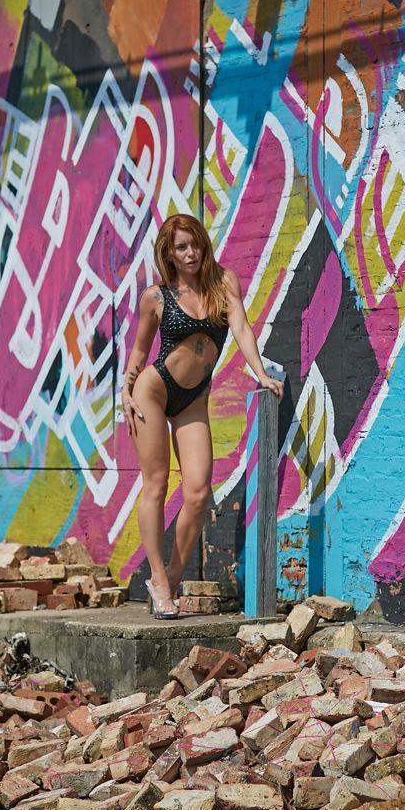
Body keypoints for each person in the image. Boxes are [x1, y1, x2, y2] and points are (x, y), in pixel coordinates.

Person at [121, 214, 285, 619]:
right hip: (153, 392)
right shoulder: (156, 298)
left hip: (193, 398)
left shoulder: (223, 283)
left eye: (195, 244)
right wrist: (126, 390)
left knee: (197, 493)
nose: (191, 253)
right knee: (156, 484)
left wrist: (260, 373)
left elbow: (242, 329)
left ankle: (172, 578)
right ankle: (157, 579)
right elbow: (140, 353)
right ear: (169, 254)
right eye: (181, 247)